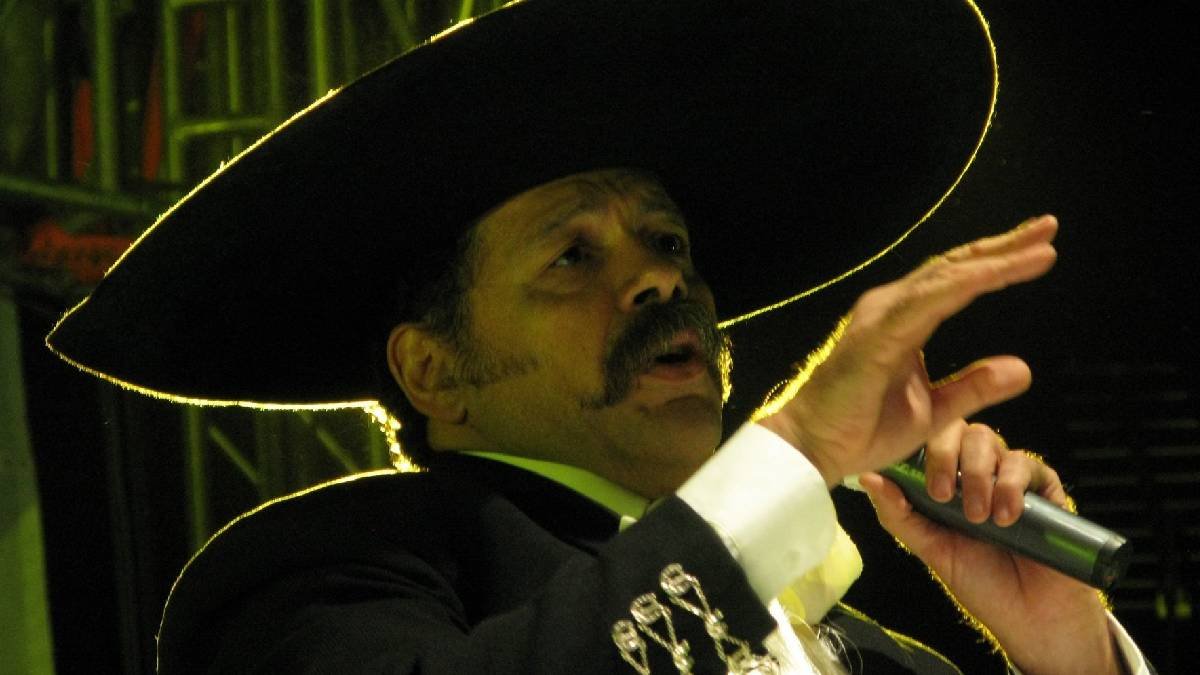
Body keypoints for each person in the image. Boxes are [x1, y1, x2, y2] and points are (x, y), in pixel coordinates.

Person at [46, 0, 1151, 672]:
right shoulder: (329, 574)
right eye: (572, 257)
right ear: (435, 369)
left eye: (667, 240)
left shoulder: (882, 656)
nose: (661, 278)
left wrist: (1065, 654)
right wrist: (798, 449)